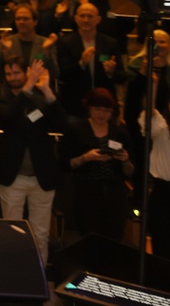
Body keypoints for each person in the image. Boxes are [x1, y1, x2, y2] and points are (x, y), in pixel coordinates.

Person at [0, 57, 68, 262]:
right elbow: (8, 117)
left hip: (42, 177)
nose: (12, 77)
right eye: (8, 74)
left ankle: (39, 274)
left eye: (17, 73)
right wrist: (29, 86)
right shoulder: (1, 99)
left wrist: (47, 90)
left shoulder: (42, 99)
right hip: (13, 177)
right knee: (12, 232)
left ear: (25, 73)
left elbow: (62, 125)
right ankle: (13, 276)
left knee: (40, 234)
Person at [61, 88, 134, 241]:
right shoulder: (76, 130)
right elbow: (64, 164)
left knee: (114, 238)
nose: (101, 114)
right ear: (89, 108)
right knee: (90, 238)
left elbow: (130, 172)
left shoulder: (120, 133)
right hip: (86, 192)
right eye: (97, 109)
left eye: (106, 110)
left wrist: (125, 160)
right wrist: (86, 158)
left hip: (115, 194)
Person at [140, 86, 170, 266]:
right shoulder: (161, 127)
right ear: (169, 106)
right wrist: (153, 84)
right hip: (164, 192)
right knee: (162, 240)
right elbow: (148, 112)